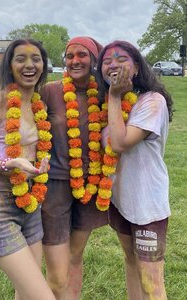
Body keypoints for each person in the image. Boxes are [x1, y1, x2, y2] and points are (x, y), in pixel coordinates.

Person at [0, 39, 55, 300]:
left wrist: (39, 167)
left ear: (43, 65)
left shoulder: (40, 105)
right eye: (21, 59)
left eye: (36, 58)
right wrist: (12, 163)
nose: (29, 65)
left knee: (25, 294)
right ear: (9, 65)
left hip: (31, 206)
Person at [97, 40, 173, 300]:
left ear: (137, 67)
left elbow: (119, 143)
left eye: (121, 59)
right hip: (121, 201)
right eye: (107, 61)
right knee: (131, 262)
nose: (113, 65)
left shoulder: (152, 102)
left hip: (147, 205)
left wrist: (114, 95)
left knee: (151, 281)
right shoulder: (109, 106)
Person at [41, 36, 109, 299]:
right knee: (57, 268)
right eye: (70, 56)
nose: (75, 61)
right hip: (55, 185)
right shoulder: (50, 90)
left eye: (82, 55)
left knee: (75, 255)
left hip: (91, 184)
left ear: (93, 60)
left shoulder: (104, 93)